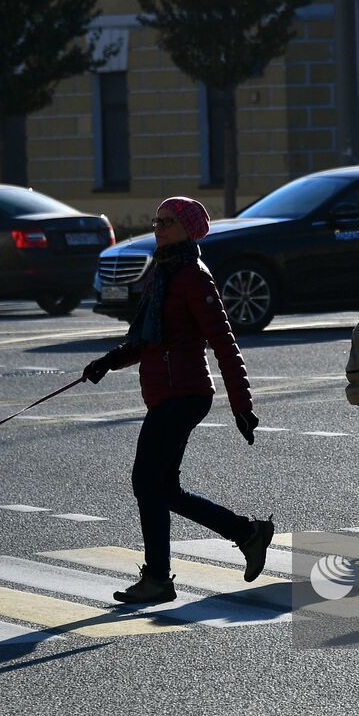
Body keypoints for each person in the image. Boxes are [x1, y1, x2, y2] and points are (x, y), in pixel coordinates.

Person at [83, 197, 273, 604]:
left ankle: (157, 579)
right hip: (166, 393)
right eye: (157, 220)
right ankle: (247, 532)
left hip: (184, 395)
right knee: (165, 490)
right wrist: (109, 360)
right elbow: (147, 339)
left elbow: (224, 341)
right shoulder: (164, 273)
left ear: (189, 229)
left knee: (145, 480)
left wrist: (241, 403)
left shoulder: (192, 276)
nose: (159, 227)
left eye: (168, 222)